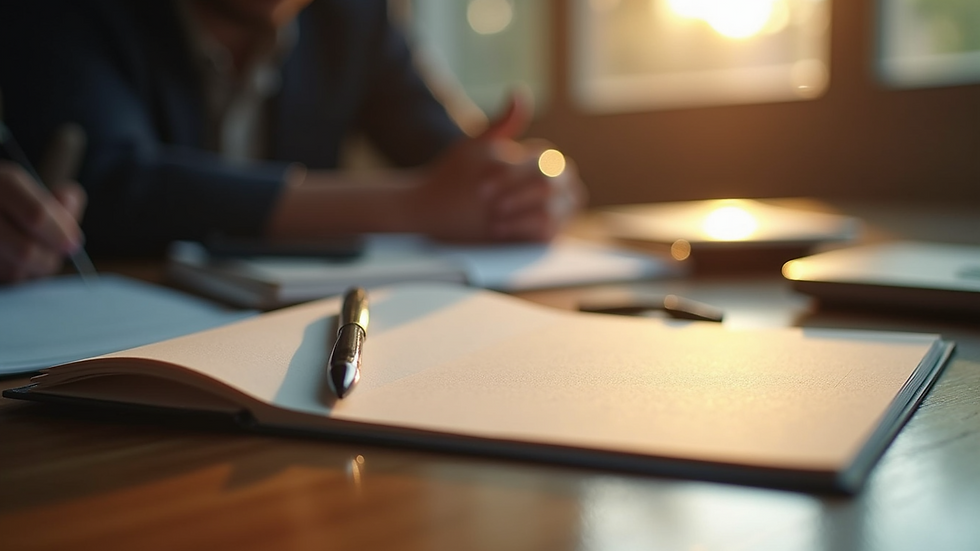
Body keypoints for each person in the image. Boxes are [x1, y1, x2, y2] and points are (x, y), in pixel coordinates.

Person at [0, 0, 586, 258]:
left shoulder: (351, 16)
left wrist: (531, 184)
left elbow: (457, 160)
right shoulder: (69, 11)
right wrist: (412, 205)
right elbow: (113, 184)